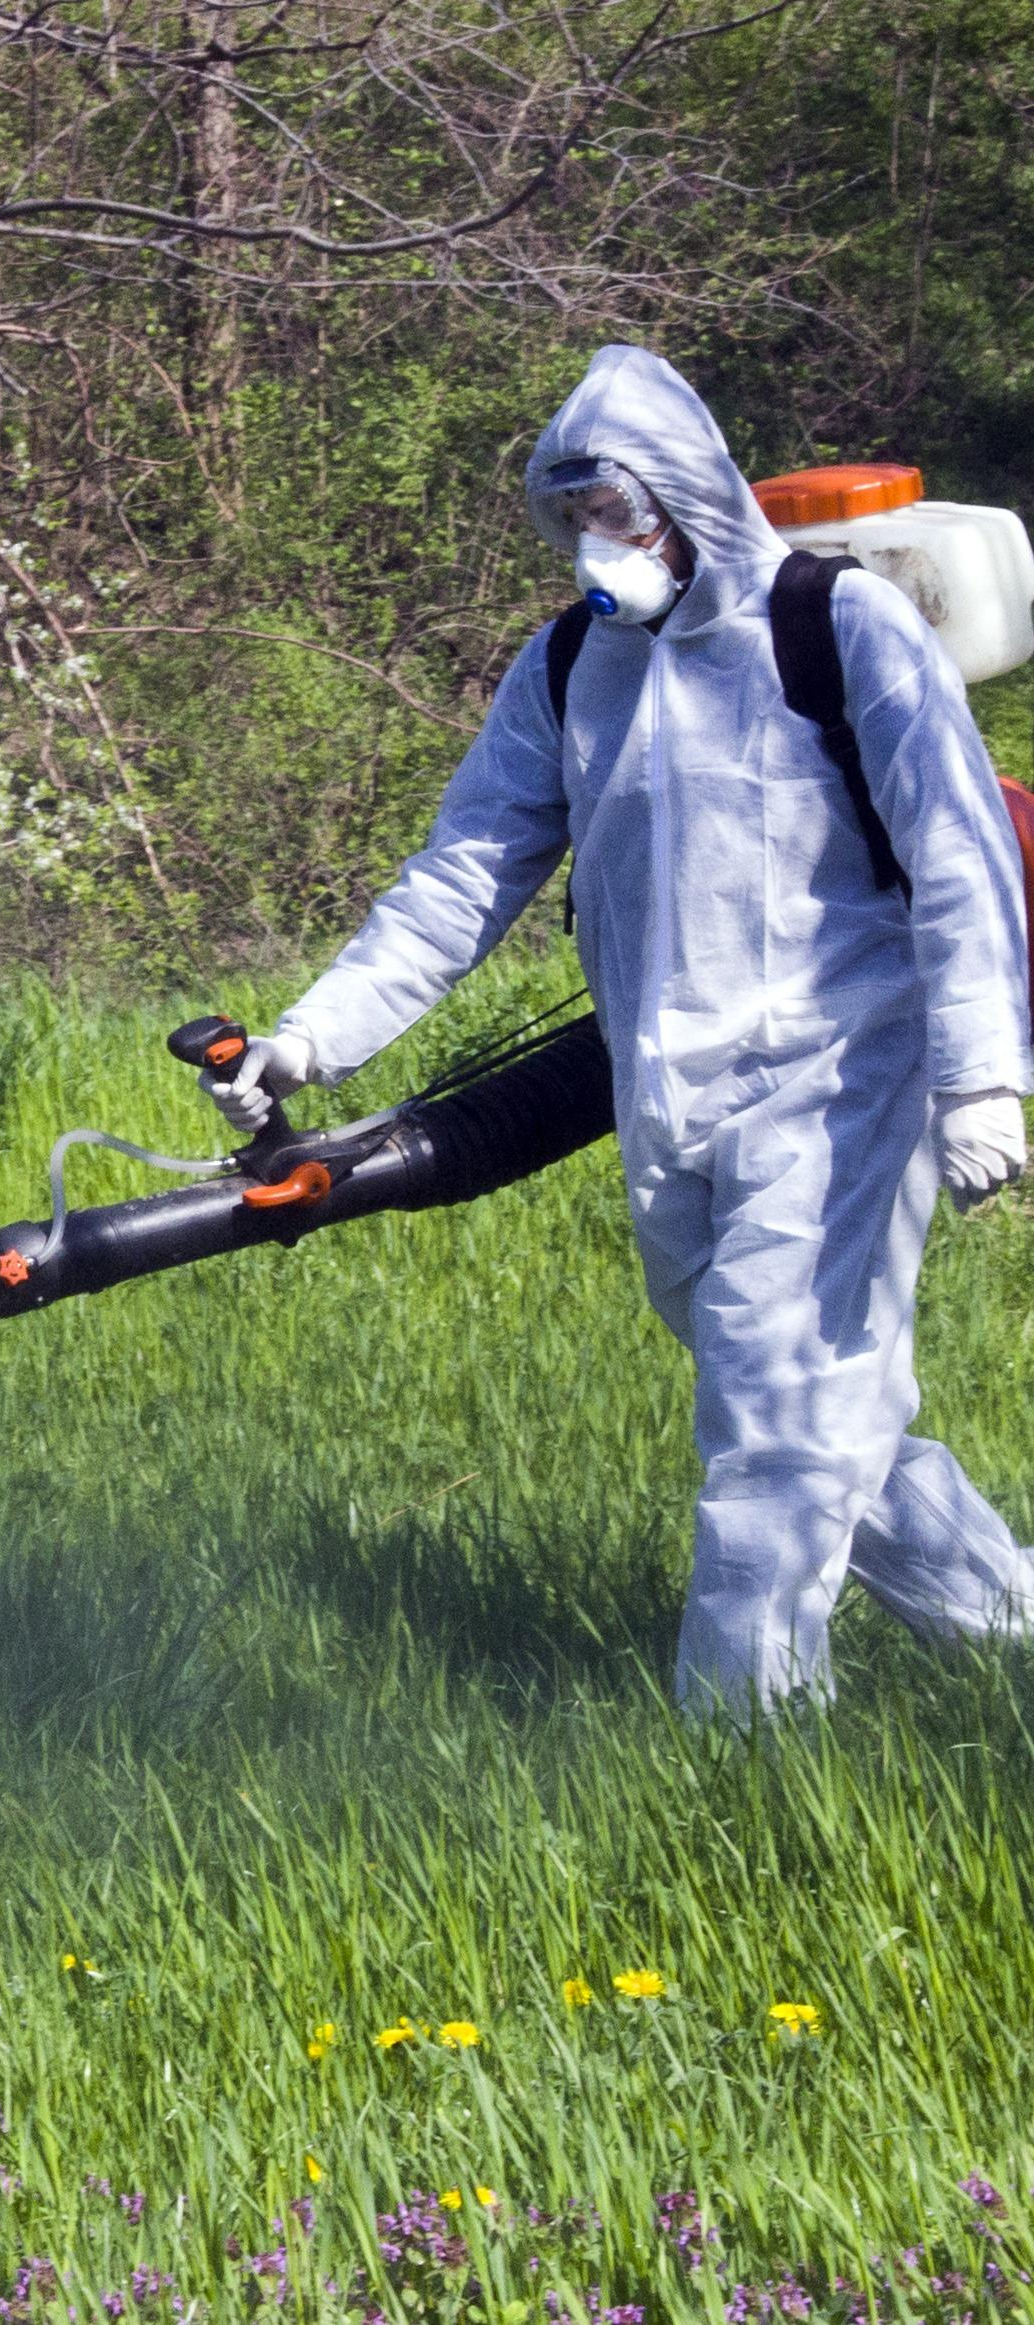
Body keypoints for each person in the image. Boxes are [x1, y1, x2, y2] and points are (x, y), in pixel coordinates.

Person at [202, 343, 1034, 1714]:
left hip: (842, 1079)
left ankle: (743, 1741)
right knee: (808, 1407)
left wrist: (982, 1078)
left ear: (688, 496)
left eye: (618, 513)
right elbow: (462, 876)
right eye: (574, 517)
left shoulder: (840, 628)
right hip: (665, 1095)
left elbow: (958, 855)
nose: (598, 543)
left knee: (775, 1427)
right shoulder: (570, 665)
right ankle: (1008, 1623)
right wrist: (309, 1041)